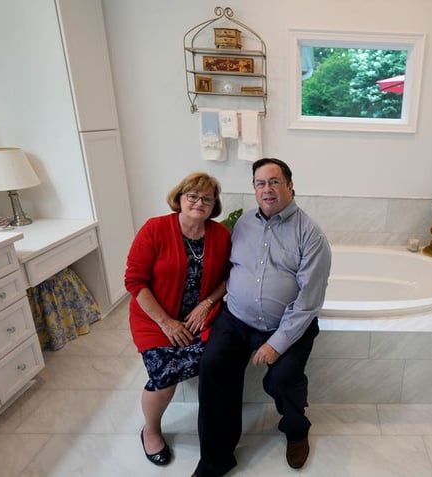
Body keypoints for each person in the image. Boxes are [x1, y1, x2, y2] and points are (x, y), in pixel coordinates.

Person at [193, 158, 331, 476]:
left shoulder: (310, 235)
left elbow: (309, 302)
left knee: (283, 379)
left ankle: (296, 429)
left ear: (290, 186)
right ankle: (216, 458)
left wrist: (276, 344)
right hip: (237, 317)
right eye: (260, 183)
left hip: (287, 323)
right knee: (213, 366)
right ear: (254, 189)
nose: (267, 189)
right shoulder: (244, 224)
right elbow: (230, 270)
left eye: (274, 181)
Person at [125, 172, 231, 466]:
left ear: (214, 205)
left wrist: (207, 303)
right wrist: (166, 323)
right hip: (155, 319)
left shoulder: (220, 235)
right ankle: (151, 429)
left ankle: (215, 427)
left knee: (220, 356)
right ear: (180, 199)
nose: (199, 202)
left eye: (207, 198)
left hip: (202, 318)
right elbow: (135, 282)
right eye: (193, 196)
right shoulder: (155, 229)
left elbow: (229, 276)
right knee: (166, 376)